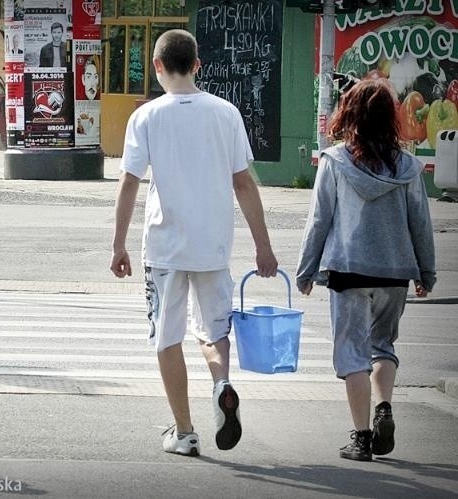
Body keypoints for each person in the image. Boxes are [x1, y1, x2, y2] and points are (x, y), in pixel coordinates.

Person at [110, 29, 277, 457]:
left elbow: (129, 182)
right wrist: (263, 246)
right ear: (198, 65)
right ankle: (222, 384)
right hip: (213, 246)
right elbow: (244, 184)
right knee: (214, 331)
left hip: (164, 247)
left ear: (157, 66)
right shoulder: (226, 113)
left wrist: (118, 243)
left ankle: (184, 431)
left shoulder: (146, 117)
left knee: (167, 338)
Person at [296, 79, 436, 462]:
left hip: (348, 270)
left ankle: (360, 438)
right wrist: (426, 271)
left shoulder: (336, 161)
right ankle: (384, 407)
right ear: (390, 117)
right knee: (382, 347)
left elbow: (319, 220)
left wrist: (306, 271)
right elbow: (420, 222)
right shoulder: (408, 166)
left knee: (352, 354)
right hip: (394, 272)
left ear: (350, 114)